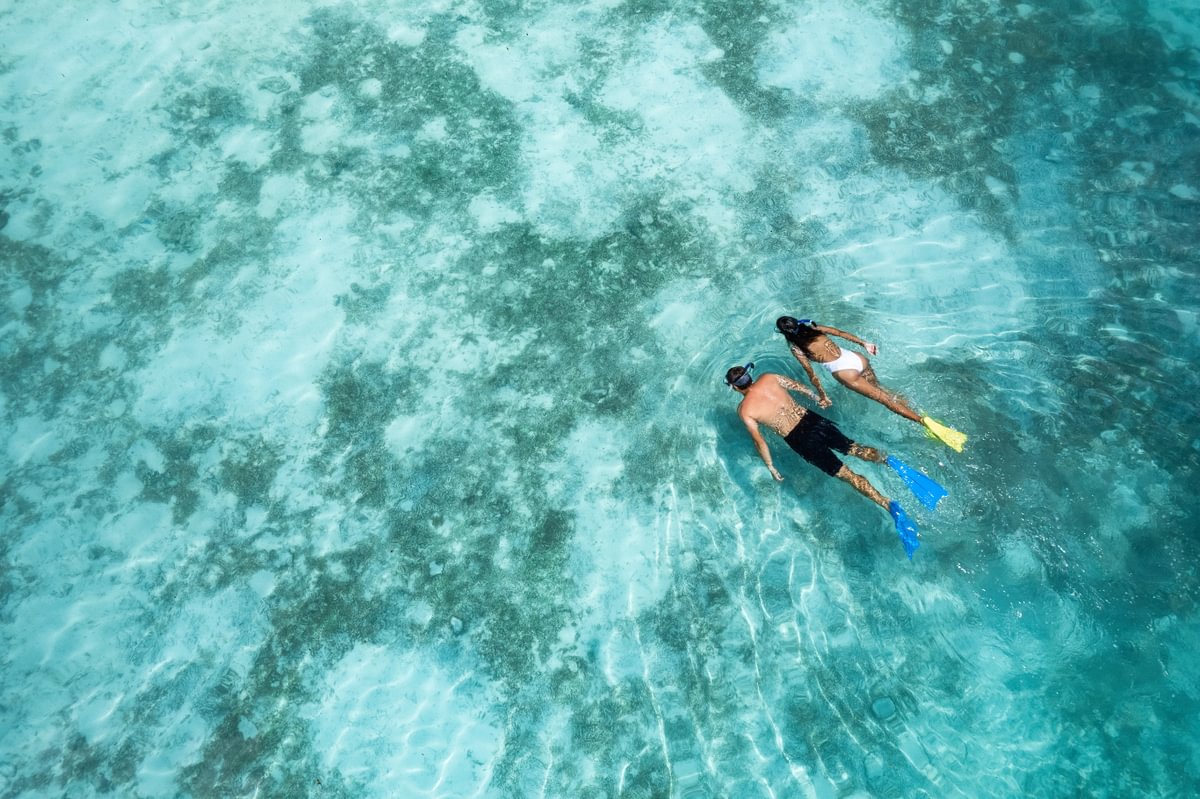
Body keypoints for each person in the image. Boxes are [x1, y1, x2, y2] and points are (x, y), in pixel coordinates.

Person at [725, 363, 940, 556]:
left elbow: (759, 442)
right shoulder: (769, 377)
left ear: (735, 387)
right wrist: (816, 396)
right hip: (812, 420)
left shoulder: (745, 410)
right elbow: (799, 386)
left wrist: (771, 466)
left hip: (799, 439)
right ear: (749, 375)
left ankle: (888, 504)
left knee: (845, 474)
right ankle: (891, 461)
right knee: (854, 448)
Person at [775, 316, 967, 452]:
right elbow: (840, 333)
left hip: (845, 372)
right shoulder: (816, 328)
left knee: (884, 399)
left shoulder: (796, 348)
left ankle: (922, 421)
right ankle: (916, 412)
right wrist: (864, 344)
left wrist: (823, 394)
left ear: (785, 333)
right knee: (882, 389)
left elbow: (812, 374)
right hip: (856, 358)